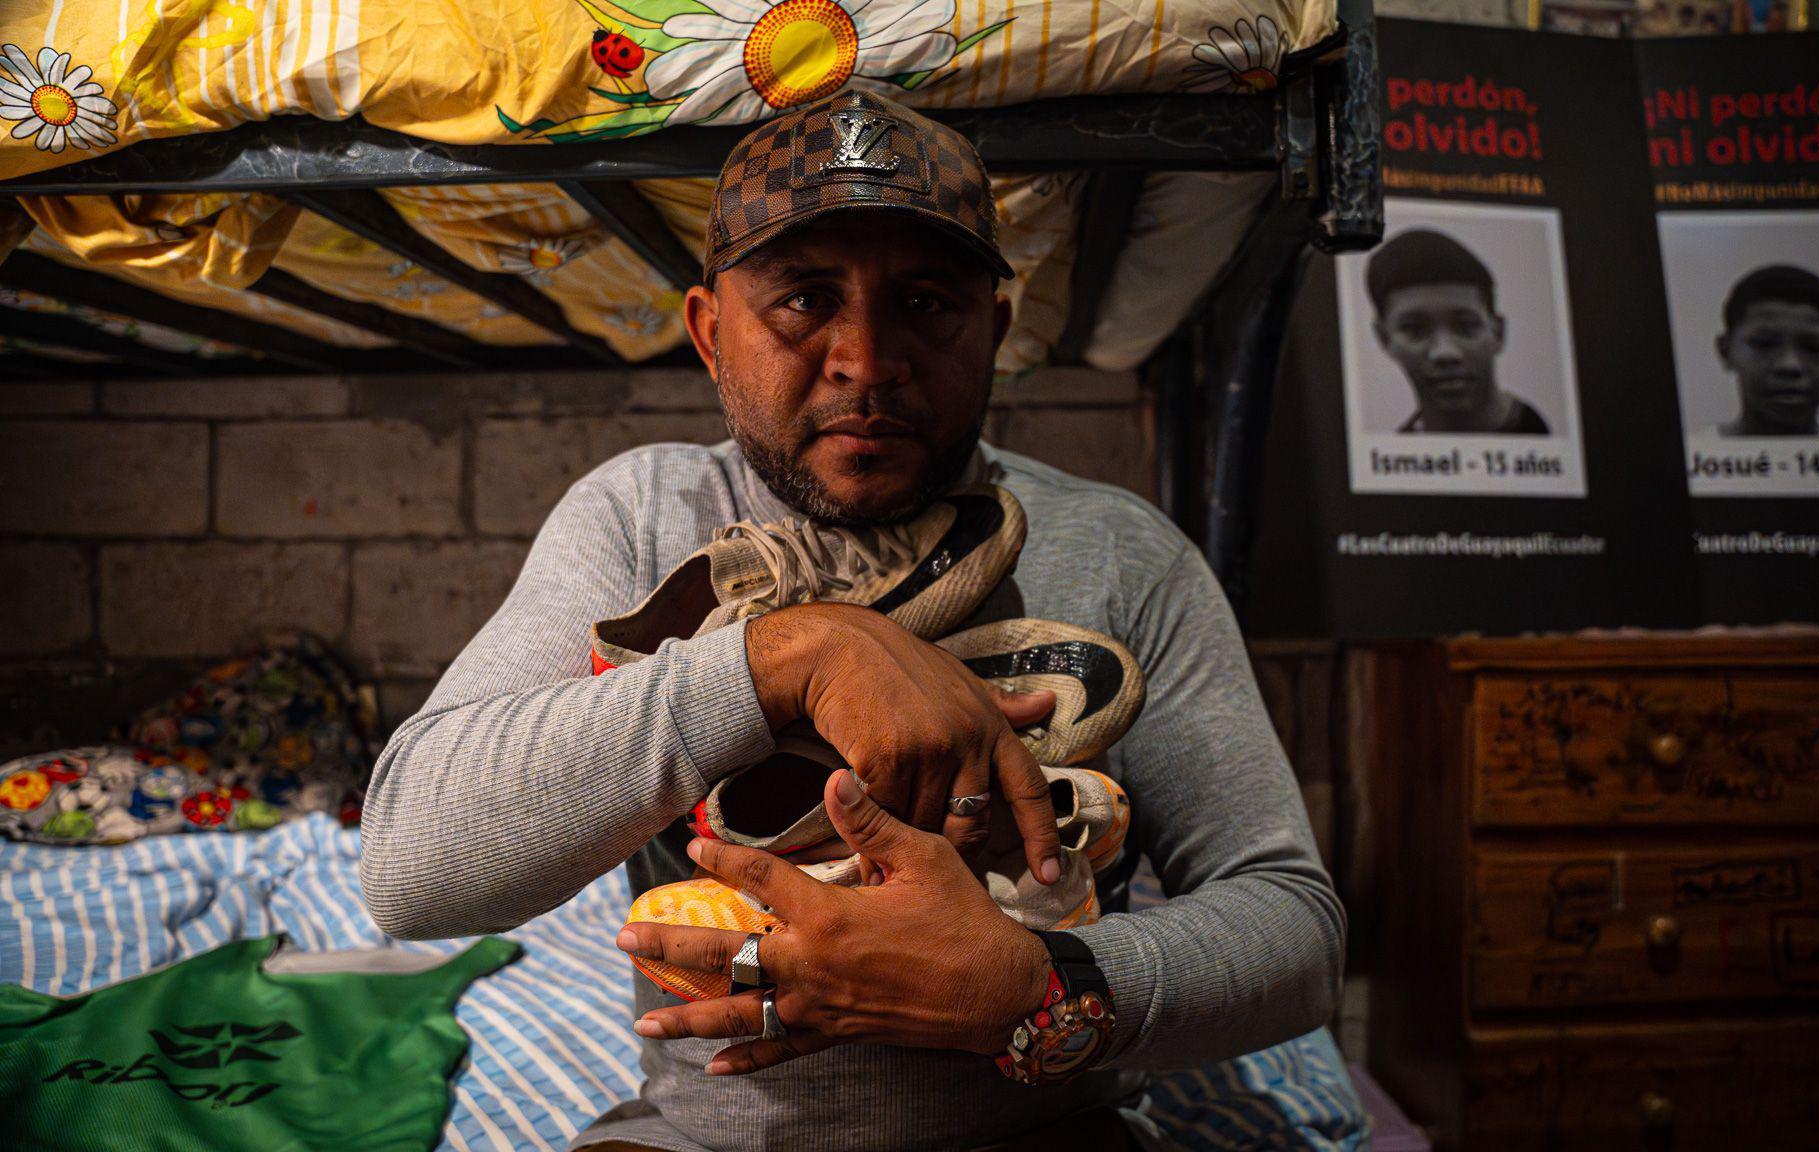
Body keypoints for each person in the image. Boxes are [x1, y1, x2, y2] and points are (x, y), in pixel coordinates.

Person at [359, 91, 1343, 1152]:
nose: (866, 360)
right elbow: (414, 866)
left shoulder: (1120, 552)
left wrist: (1030, 988)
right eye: (802, 299)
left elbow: (1293, 929)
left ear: (997, 330)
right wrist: (786, 656)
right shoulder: (644, 520)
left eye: (927, 304)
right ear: (708, 332)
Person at [1365, 227, 1550, 435]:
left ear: (1498, 332)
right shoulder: (1394, 454)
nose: (1445, 352)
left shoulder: (1543, 435)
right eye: (1415, 330)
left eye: (1466, 327)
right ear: (1384, 338)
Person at [1707, 263, 1819, 437]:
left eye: (1814, 348)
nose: (1790, 365)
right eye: (1764, 344)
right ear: (1726, 352)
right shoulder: (1696, 454)